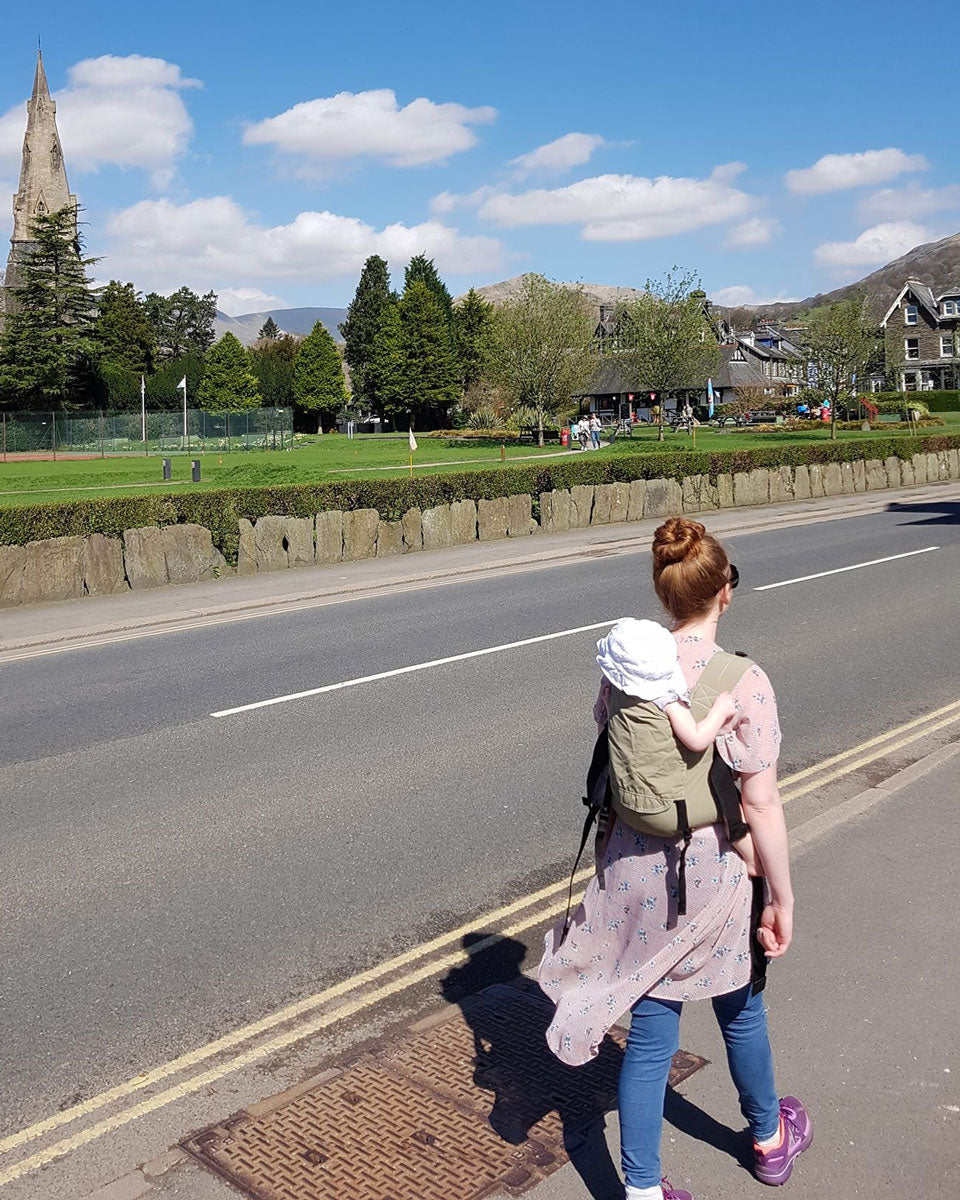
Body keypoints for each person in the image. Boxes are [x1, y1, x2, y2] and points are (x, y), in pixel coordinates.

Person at [539, 517, 809, 1200]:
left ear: (666, 597)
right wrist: (781, 894)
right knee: (740, 1011)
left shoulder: (626, 670)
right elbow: (762, 805)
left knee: (652, 1029)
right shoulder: (742, 681)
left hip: (633, 872)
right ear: (724, 592)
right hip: (711, 874)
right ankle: (770, 1142)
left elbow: (621, 757)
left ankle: (641, 1189)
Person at [595, 618, 757, 874]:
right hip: (669, 811)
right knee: (732, 803)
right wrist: (719, 710)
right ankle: (750, 858)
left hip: (627, 804)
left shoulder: (614, 693)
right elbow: (696, 739)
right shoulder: (666, 697)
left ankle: (605, 848)